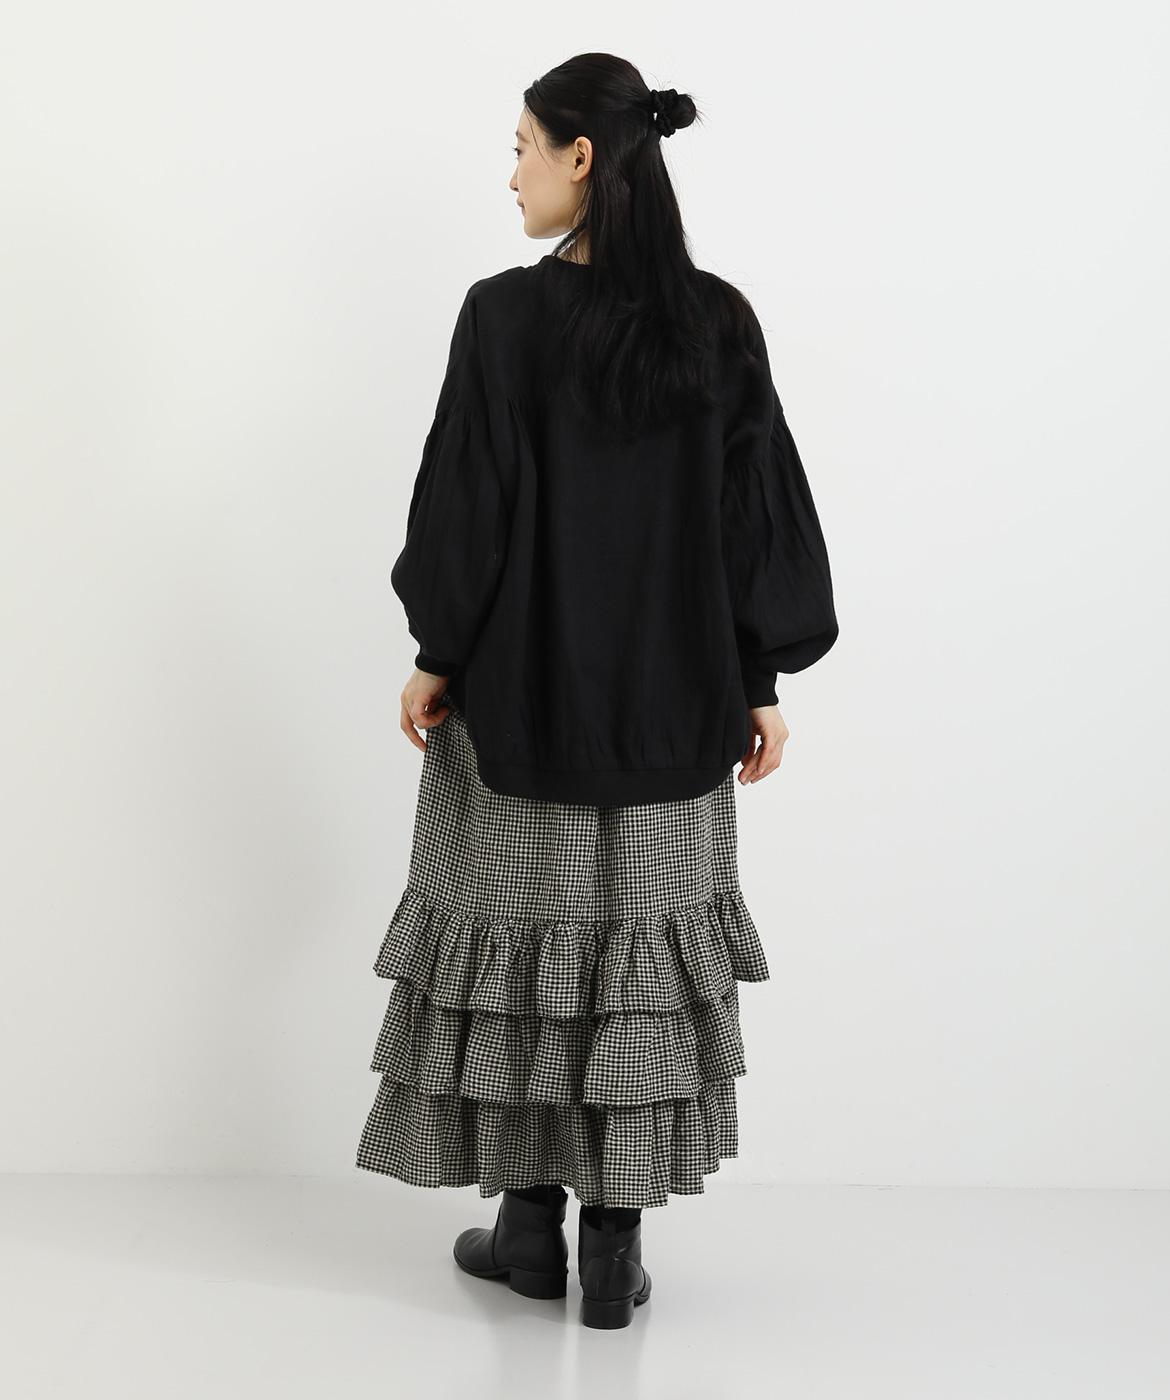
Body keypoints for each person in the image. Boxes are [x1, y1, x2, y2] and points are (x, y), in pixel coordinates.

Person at [355, 53, 840, 1330]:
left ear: (581, 156)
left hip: (522, 709)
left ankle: (528, 1228)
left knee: (524, 959)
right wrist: (758, 679)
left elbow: (467, 505)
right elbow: (753, 516)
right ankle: (611, 1249)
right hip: (679, 718)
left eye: (522, 145)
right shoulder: (717, 319)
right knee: (634, 969)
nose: (510, 172)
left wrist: (437, 651)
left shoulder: (503, 317)